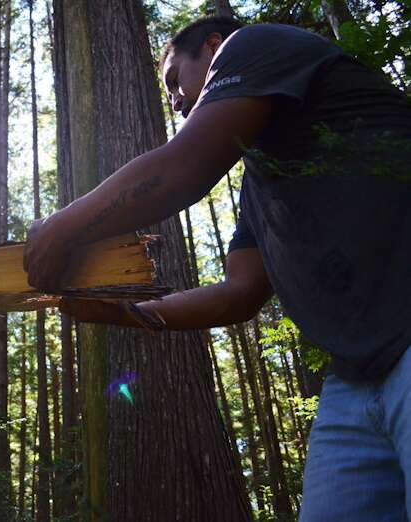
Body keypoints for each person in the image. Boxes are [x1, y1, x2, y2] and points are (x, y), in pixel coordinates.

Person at [22, 16, 411, 520]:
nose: (176, 101)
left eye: (174, 80)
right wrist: (123, 313)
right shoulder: (260, 184)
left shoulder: (252, 43)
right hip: (354, 380)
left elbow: (183, 168)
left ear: (211, 46)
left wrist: (63, 226)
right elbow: (241, 291)